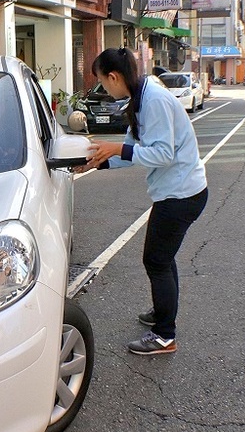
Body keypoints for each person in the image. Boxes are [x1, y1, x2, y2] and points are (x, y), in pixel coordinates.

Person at [73, 48, 208, 355]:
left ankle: (164, 335)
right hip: (178, 191)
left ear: (114, 76)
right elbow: (134, 150)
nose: (106, 91)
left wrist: (116, 150)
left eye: (104, 84)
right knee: (163, 258)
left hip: (181, 194)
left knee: (156, 260)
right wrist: (100, 161)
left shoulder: (155, 101)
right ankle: (163, 315)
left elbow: (162, 155)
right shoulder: (141, 97)